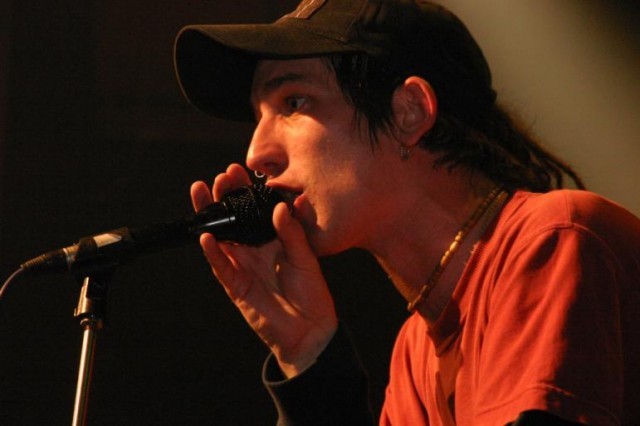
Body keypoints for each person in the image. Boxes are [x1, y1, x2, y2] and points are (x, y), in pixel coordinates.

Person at [174, 0, 640, 424]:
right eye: (259, 116)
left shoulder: (555, 237)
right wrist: (308, 355)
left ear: (409, 112)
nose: (256, 154)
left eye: (293, 102)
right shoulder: (416, 348)